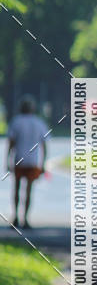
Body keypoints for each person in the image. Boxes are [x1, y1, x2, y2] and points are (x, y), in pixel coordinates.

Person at [6, 96, 48, 229]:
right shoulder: (39, 123)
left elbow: (11, 143)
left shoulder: (16, 122)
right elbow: (44, 145)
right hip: (33, 161)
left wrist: (7, 160)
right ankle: (26, 218)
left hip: (19, 159)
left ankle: (16, 217)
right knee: (29, 191)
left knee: (17, 189)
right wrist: (43, 163)